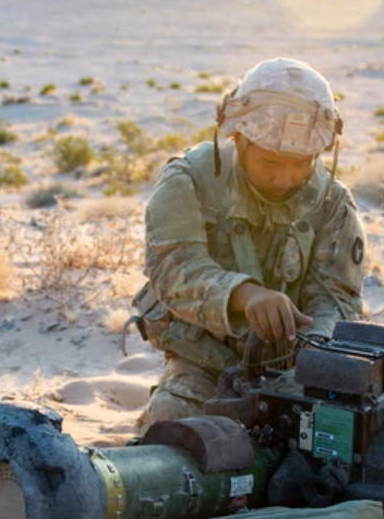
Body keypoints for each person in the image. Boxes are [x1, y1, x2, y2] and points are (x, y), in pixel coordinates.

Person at [131, 58, 368, 430]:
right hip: (206, 361)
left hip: (296, 367)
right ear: (238, 139)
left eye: (301, 164)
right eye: (270, 163)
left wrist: (313, 355)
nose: (285, 179)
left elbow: (336, 296)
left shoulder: (332, 201)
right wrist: (245, 295)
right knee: (170, 426)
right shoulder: (188, 181)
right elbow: (173, 269)